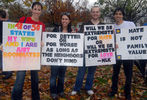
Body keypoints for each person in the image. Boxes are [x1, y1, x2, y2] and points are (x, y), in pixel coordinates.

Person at [11, 2, 45, 100]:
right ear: (31, 10)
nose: (37, 11)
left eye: (39, 9)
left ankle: (35, 98)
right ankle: (16, 98)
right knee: (20, 79)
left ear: (41, 11)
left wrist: (42, 42)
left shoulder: (42, 25)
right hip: (22, 56)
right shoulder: (23, 20)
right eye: (35, 9)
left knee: (35, 80)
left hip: (35, 56)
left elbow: (42, 39)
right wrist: (6, 44)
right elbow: (14, 34)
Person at [71, 6, 103, 96]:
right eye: (93, 12)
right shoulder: (85, 24)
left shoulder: (103, 26)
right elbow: (80, 37)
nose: (95, 13)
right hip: (85, 51)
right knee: (81, 70)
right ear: (91, 13)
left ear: (99, 13)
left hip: (96, 52)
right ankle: (76, 88)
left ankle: (88, 87)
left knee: (91, 72)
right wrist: (77, 34)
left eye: (97, 12)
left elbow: (106, 39)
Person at [108, 8, 135, 100]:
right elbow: (108, 39)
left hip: (127, 54)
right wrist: (113, 43)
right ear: (114, 16)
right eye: (116, 14)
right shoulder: (112, 27)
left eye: (120, 14)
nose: (118, 15)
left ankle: (127, 93)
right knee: (115, 73)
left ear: (123, 15)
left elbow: (136, 36)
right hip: (116, 53)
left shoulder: (130, 24)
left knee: (129, 74)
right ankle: (114, 90)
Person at [50, 12, 73, 99]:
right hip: (55, 57)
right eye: (63, 19)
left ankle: (60, 90)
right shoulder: (56, 29)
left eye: (66, 19)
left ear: (69, 21)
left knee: (62, 76)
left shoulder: (71, 31)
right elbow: (50, 40)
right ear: (61, 20)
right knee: (53, 75)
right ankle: (53, 92)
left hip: (65, 58)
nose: (64, 20)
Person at [0, 9, 12, 79]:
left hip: (6, 42)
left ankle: (9, 72)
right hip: (1, 42)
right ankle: (4, 70)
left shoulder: (6, 22)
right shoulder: (2, 22)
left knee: (6, 57)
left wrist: (6, 16)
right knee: (2, 57)